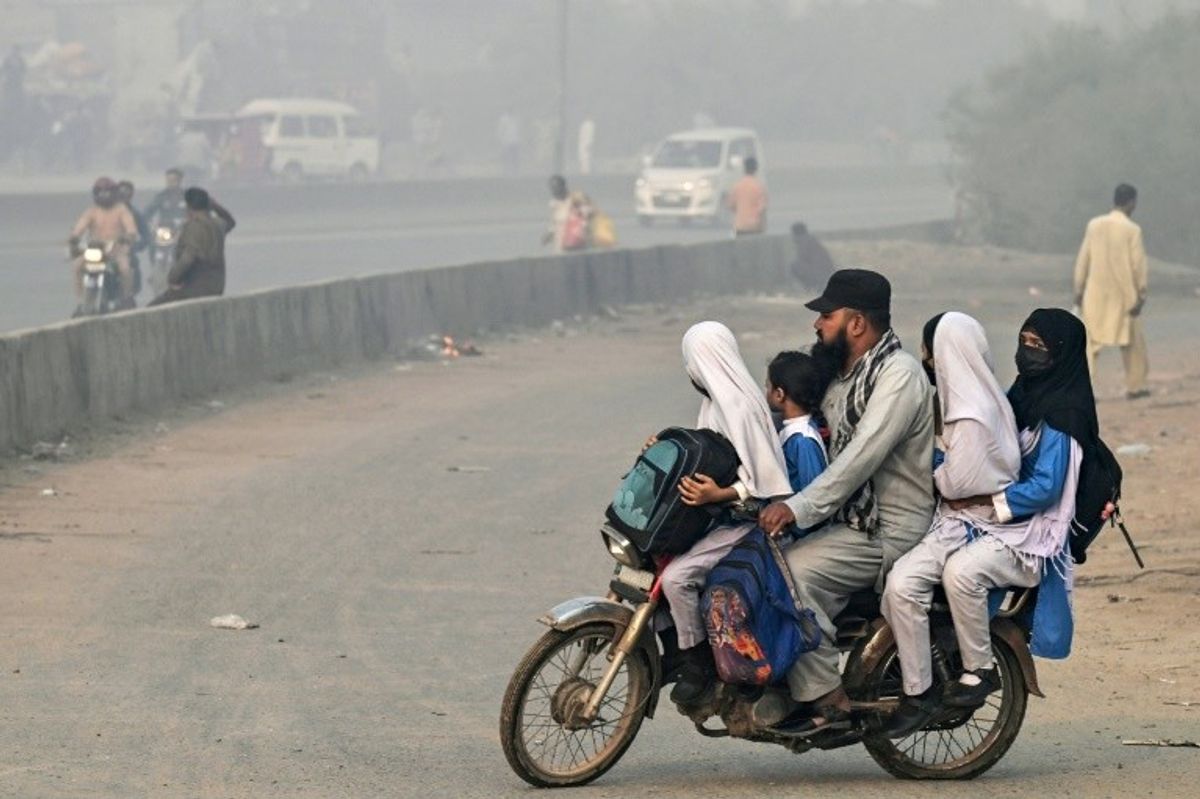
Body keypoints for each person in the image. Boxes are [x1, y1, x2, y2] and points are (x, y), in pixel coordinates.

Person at [890, 309, 1092, 735]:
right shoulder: (1015, 396)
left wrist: (983, 498)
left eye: (1040, 346)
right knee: (901, 582)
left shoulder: (1065, 414)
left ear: (1062, 354)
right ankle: (917, 687)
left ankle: (979, 670)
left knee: (962, 572)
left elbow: (1046, 488)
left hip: (1032, 531)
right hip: (984, 519)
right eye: (1025, 342)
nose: (1027, 353)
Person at [758, 269, 936, 734]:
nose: (818, 325)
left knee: (792, 574)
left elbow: (860, 458)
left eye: (826, 315)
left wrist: (797, 508)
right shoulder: (842, 374)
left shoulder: (898, 376)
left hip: (885, 529)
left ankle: (826, 697)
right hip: (847, 519)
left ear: (856, 323)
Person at [878, 312, 1021, 737]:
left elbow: (958, 482)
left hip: (976, 523)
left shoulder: (974, 414)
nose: (924, 358)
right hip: (954, 518)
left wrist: (931, 468)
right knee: (896, 581)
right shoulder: (968, 404)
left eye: (927, 350)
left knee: (930, 580)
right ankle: (914, 680)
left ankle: (964, 673)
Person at [656, 321, 795, 706]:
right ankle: (675, 647)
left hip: (751, 522)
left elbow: (771, 483)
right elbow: (708, 453)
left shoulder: (741, 406)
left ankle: (697, 663)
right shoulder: (715, 402)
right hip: (720, 516)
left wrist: (721, 492)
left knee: (677, 578)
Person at [1073, 183, 1149, 399]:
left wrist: (1078, 288)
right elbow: (1138, 265)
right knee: (1133, 343)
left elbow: (1083, 260)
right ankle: (1136, 387)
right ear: (1131, 202)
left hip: (1094, 295)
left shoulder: (1094, 225)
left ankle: (1085, 390)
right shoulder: (1132, 230)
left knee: (1089, 345)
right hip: (1124, 296)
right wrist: (1141, 294)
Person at [147, 187, 236, 306]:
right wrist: (215, 205)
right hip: (217, 286)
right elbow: (230, 221)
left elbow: (188, 258)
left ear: (188, 206)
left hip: (194, 288)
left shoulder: (194, 227)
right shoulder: (218, 224)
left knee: (152, 309)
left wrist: (173, 279)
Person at [69, 177, 140, 313]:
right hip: (95, 251)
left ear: (114, 193)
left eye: (107, 192)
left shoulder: (121, 210)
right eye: (101, 192)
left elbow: (131, 229)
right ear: (96, 194)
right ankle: (80, 302)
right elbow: (80, 226)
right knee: (77, 266)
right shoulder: (92, 211)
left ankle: (127, 298)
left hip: (116, 251)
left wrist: (128, 236)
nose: (104, 196)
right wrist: (74, 237)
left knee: (125, 269)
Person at [765, 351, 830, 497]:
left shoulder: (803, 440)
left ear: (779, 394)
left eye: (768, 386)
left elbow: (814, 497)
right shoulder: (791, 430)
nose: (766, 392)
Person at [117, 180, 151, 291]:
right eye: (121, 193)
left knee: (130, 267)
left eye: (127, 194)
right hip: (105, 252)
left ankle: (127, 297)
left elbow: (146, 236)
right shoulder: (103, 211)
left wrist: (135, 246)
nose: (124, 197)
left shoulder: (135, 214)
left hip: (125, 252)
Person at [727, 156, 767, 236]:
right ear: (756, 169)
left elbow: (731, 205)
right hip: (754, 227)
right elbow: (762, 209)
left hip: (740, 227)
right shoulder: (758, 187)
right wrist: (763, 227)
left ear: (744, 168)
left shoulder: (737, 186)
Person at [789, 222, 836, 287]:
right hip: (826, 274)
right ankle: (813, 286)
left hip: (821, 275)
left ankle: (812, 286)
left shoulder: (804, 242)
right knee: (796, 265)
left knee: (794, 266)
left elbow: (802, 260)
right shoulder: (811, 240)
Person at [542, 175, 571, 253]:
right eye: (552, 188)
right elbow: (554, 223)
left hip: (575, 243)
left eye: (556, 188)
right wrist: (549, 234)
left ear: (563, 187)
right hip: (560, 244)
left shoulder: (574, 200)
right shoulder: (554, 203)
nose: (554, 191)